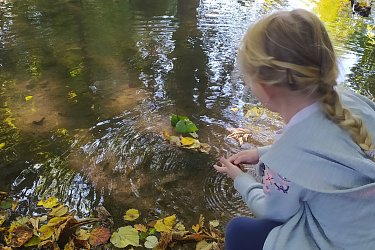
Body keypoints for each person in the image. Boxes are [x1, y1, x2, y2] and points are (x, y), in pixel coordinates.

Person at [213, 8, 375, 250]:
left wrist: (241, 180)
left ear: (265, 89)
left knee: (238, 232)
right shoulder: (350, 101)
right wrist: (263, 153)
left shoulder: (286, 160)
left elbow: (272, 211)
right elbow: (329, 146)